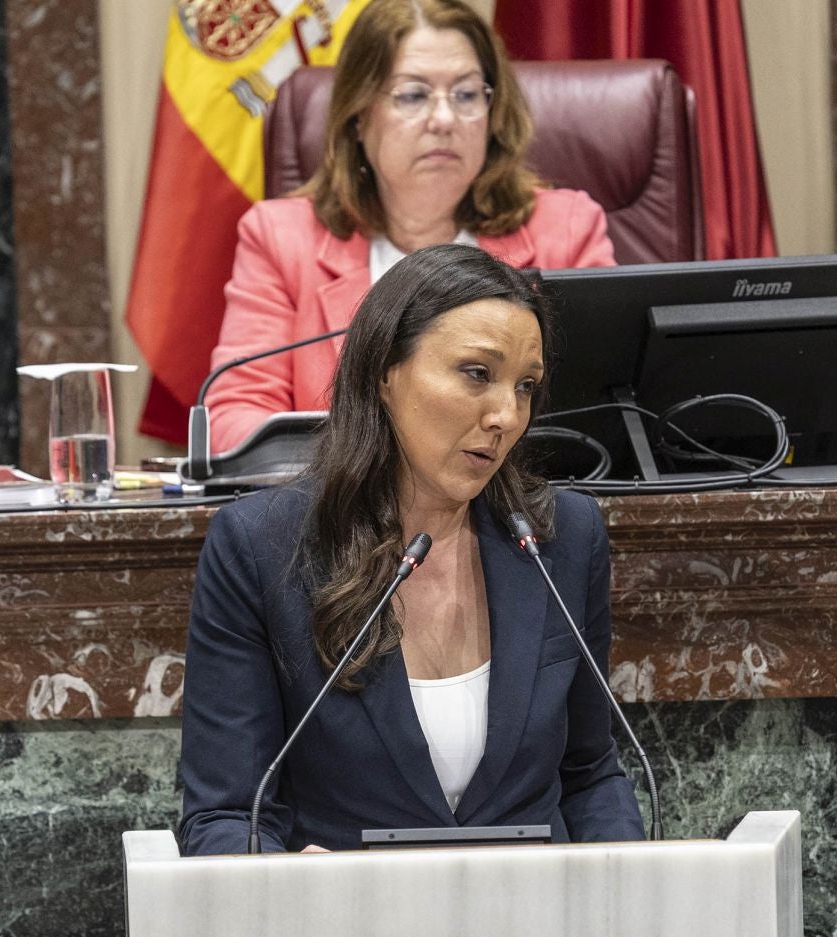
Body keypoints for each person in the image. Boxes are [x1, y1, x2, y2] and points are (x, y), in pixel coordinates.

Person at [179, 243, 644, 854]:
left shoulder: (560, 536)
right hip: (348, 931)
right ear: (384, 373)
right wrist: (283, 880)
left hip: (531, 927)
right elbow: (225, 815)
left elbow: (588, 776)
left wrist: (631, 891)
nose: (506, 414)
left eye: (526, 386)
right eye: (477, 373)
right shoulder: (262, 547)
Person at [201, 0, 615, 456]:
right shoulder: (282, 238)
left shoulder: (567, 230)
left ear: (493, 111)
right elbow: (236, 420)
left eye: (466, 94)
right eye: (413, 95)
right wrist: (382, 477)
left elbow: (596, 416)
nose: (443, 120)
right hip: (340, 519)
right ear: (359, 115)